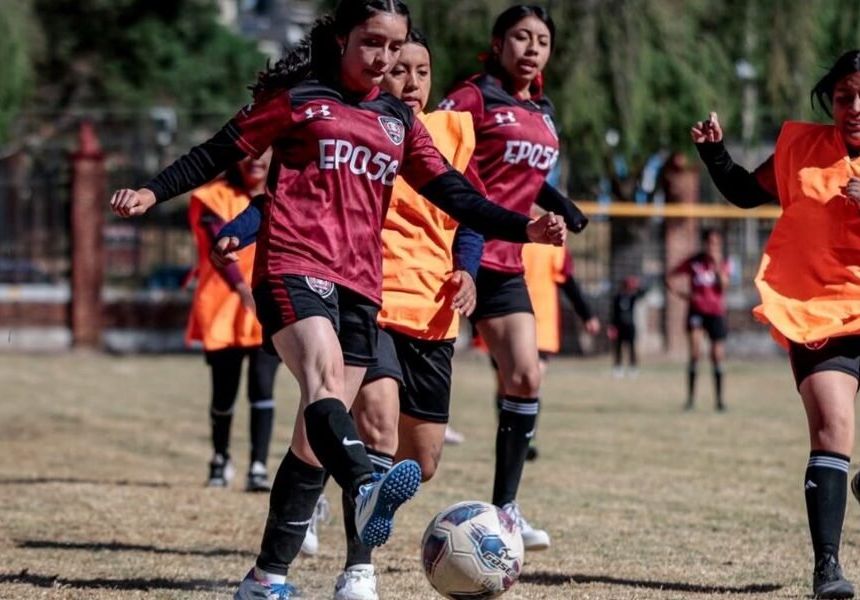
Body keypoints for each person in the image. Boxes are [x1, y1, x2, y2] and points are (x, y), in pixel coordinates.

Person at [110, 2, 564, 598]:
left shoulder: (396, 124)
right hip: (293, 265)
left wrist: (521, 228)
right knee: (324, 383)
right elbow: (221, 148)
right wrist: (153, 190)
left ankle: (265, 577)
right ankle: (362, 482)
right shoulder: (300, 98)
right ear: (344, 40)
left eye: (393, 48)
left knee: (309, 436)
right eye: (371, 44)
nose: (383, 60)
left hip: (359, 285)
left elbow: (456, 194)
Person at [693, 48, 860, 599]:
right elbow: (745, 191)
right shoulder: (802, 148)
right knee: (832, 428)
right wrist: (715, 153)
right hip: (815, 308)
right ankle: (828, 569)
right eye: (843, 97)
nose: (854, 107)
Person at [329, 28, 486, 600]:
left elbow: (469, 215)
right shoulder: (358, 125)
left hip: (434, 311)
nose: (411, 81)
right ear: (380, 73)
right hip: (367, 296)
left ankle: (331, 470)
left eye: (422, 71)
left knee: (421, 459)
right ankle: (358, 570)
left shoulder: (453, 134)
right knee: (377, 423)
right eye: (400, 70)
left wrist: (468, 269)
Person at [438, 4, 587, 552]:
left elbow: (522, 175)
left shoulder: (544, 112)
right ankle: (330, 490)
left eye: (542, 41)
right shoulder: (473, 97)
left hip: (505, 264)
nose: (531, 48)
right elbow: (435, 153)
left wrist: (559, 201)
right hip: (449, 255)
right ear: (497, 43)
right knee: (397, 399)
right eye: (521, 37)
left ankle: (504, 510)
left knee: (525, 376)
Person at [186, 151, 281, 491]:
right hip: (223, 305)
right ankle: (220, 457)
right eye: (248, 154)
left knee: (262, 385)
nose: (256, 160)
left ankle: (258, 466)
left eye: (264, 153)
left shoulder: (282, 193)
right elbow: (220, 246)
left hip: (267, 302)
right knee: (224, 391)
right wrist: (242, 290)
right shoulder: (213, 197)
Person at [514, 240, 599, 460]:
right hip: (508, 319)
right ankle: (508, 435)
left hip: (539, 323)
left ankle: (527, 436)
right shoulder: (505, 234)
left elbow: (568, 282)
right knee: (506, 384)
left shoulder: (552, 244)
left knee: (533, 380)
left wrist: (586, 314)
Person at [667, 229, 729, 411]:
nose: (713, 246)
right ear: (704, 243)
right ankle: (690, 400)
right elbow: (670, 276)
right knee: (695, 353)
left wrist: (717, 266)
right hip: (696, 311)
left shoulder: (722, 263)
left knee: (717, 355)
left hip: (716, 312)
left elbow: (723, 287)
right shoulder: (694, 262)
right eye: (710, 242)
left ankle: (719, 400)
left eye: (716, 243)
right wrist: (682, 294)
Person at [610, 274, 647, 377]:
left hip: (630, 325)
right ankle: (618, 367)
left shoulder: (632, 297)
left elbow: (643, 293)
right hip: (619, 326)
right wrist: (612, 326)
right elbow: (613, 313)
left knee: (631, 347)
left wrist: (638, 285)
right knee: (618, 348)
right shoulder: (617, 297)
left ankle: (632, 367)